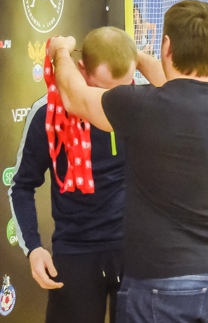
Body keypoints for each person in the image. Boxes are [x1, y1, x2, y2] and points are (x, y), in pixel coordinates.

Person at [47, 0, 208, 323]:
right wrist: (132, 53)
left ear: (167, 46)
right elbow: (180, 86)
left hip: (163, 284)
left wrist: (61, 51)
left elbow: (75, 97)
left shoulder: (143, 108)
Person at [8, 26, 137, 323]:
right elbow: (22, 185)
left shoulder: (140, 102)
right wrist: (33, 248)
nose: (115, 101)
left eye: (125, 87)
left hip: (134, 249)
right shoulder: (48, 113)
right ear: (81, 71)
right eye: (104, 90)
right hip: (76, 252)